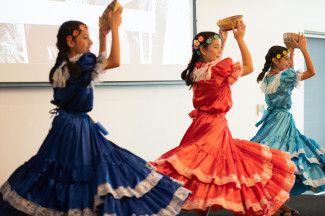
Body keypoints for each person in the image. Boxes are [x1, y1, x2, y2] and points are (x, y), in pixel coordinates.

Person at [0, 6, 190, 216]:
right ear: (70, 42)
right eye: (85, 37)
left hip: (63, 126)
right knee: (86, 174)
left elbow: (98, 63)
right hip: (77, 129)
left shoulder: (62, 66)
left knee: (61, 175)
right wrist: (114, 29)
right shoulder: (81, 63)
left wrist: (102, 34)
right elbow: (115, 61)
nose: (89, 42)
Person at [150, 20, 296, 216]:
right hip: (214, 126)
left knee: (203, 172)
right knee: (222, 169)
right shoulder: (219, 69)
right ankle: (261, 205)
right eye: (216, 47)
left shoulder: (196, 69)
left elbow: (213, 62)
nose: (220, 51)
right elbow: (249, 66)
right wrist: (240, 40)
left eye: (220, 47)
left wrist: (222, 38)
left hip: (200, 124)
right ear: (202, 49)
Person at [251, 34, 325, 215]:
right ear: (276, 62)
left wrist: (290, 50)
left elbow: (288, 68)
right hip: (282, 122)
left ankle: (277, 205)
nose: (288, 61)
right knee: (286, 161)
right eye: (284, 59)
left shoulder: (268, 76)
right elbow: (312, 72)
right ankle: (277, 206)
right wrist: (304, 49)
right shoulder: (285, 76)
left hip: (271, 121)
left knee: (271, 161)